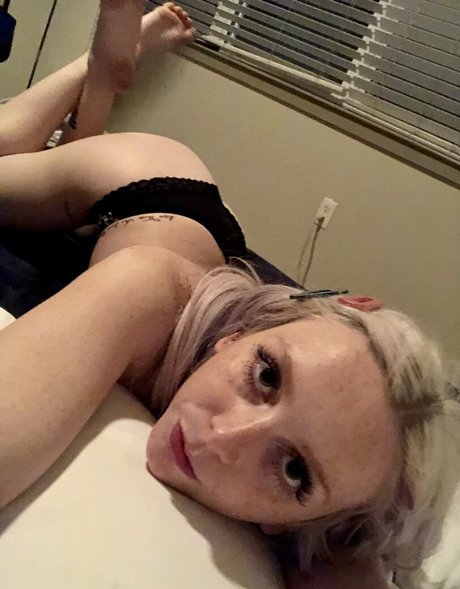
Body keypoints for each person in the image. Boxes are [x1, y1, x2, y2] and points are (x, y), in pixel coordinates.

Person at [0, 2, 458, 588]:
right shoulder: (146, 285)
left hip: (210, 241)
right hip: (145, 182)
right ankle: (104, 66)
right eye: (265, 376)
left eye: (294, 471)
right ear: (237, 338)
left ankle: (103, 88)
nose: (220, 438)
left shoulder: (339, 481)